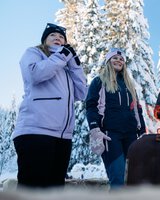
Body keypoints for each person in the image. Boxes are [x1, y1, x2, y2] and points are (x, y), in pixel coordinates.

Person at [12, 23, 87, 189]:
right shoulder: (34, 53)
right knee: (32, 189)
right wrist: (61, 57)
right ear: (44, 39)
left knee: (55, 191)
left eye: (61, 37)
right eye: (53, 35)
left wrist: (74, 64)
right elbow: (35, 74)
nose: (58, 38)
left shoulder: (65, 68)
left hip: (62, 137)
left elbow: (81, 93)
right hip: (36, 132)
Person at [85, 48, 146, 189]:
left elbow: (137, 108)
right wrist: (94, 127)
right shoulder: (99, 81)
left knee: (132, 178)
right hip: (110, 135)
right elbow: (91, 105)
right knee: (118, 178)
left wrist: (141, 130)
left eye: (121, 59)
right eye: (115, 58)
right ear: (108, 61)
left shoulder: (129, 85)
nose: (118, 61)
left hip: (131, 134)